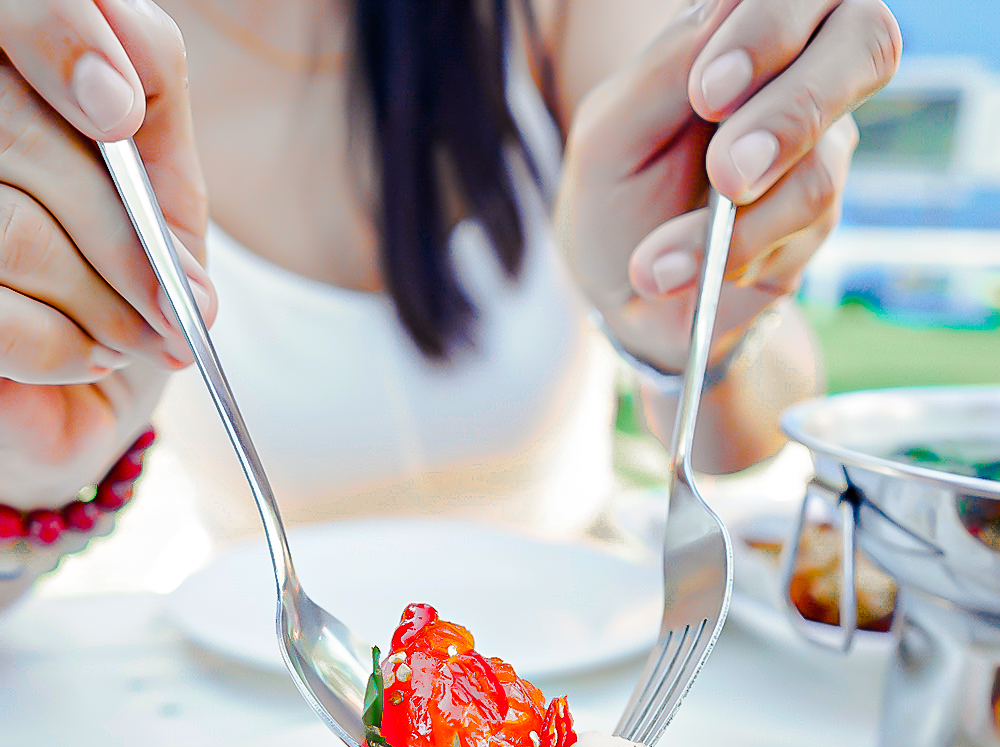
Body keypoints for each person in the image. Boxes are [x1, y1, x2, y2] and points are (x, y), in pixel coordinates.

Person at [0, 0, 900, 601]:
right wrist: (32, 474)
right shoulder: (68, 52)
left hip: (584, 659)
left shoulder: (553, 15)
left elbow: (746, 439)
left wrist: (691, 337)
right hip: (250, 677)